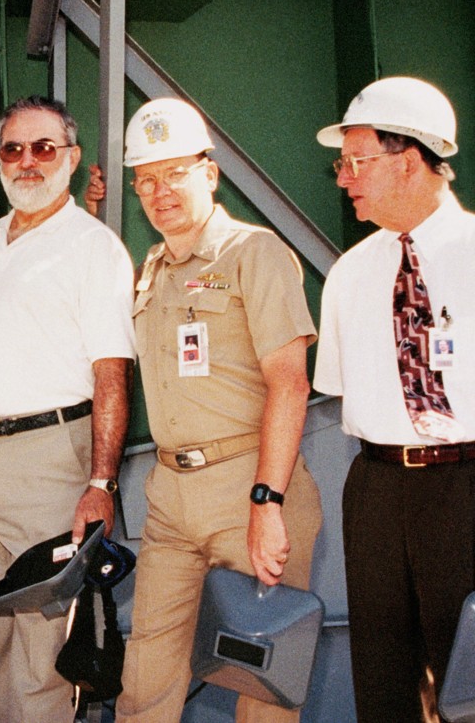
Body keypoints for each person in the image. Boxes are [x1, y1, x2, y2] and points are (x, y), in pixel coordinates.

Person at [112, 97, 323, 722]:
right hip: (172, 498)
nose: (160, 191)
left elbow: (289, 383)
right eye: (146, 179)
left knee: (261, 688)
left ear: (210, 173)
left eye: (174, 172)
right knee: (147, 674)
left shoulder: (253, 254)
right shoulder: (151, 269)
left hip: (249, 488)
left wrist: (268, 503)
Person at [0, 95, 135, 722]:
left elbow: (112, 372)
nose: (26, 161)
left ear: (73, 158)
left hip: (49, 463)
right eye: (13, 148)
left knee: (46, 641)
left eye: (43, 148)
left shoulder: (94, 247)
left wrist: (101, 483)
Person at [314, 76, 475, 722]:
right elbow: (339, 388)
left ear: (409, 160)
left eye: (357, 162)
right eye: (341, 164)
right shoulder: (350, 273)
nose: (344, 178)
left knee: (469, 672)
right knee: (382, 679)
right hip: (377, 490)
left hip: (465, 486)